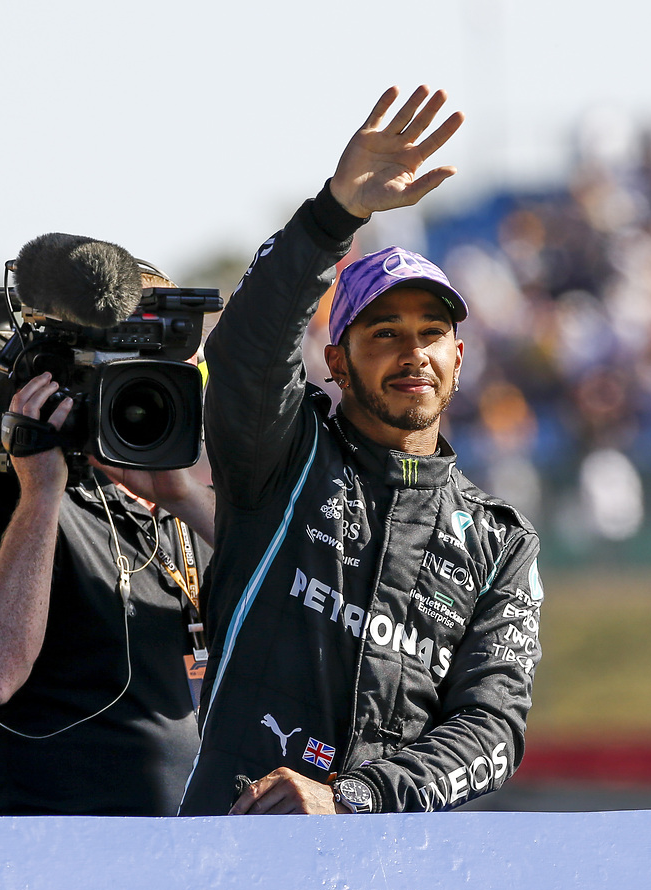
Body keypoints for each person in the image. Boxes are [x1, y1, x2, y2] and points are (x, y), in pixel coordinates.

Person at [182, 86, 544, 816]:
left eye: (431, 334)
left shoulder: (502, 544)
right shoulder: (283, 455)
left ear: (459, 358)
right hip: (233, 837)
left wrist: (351, 799)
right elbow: (247, 351)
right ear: (337, 362)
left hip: (392, 864)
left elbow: (493, 729)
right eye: (384, 333)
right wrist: (334, 213)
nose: (413, 353)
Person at [0, 358, 217, 816]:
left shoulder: (193, 509)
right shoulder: (32, 492)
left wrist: (184, 497)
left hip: (187, 845)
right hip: (54, 844)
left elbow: (311, 612)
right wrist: (40, 493)